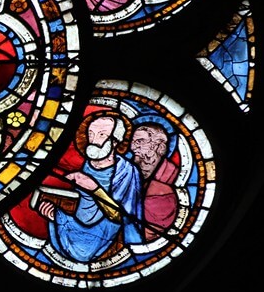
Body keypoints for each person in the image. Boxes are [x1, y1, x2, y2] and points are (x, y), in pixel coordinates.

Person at [35, 111, 144, 262]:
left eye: (101, 135)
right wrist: (56, 214)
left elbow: (121, 217)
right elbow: (76, 204)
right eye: (90, 134)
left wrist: (94, 188)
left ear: (115, 140)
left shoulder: (126, 171)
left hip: (105, 234)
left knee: (83, 251)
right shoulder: (84, 166)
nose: (93, 140)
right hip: (75, 226)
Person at [129, 121, 181, 241]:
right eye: (133, 141)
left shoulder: (170, 173)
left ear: (159, 146)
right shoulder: (129, 170)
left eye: (140, 141)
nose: (133, 147)